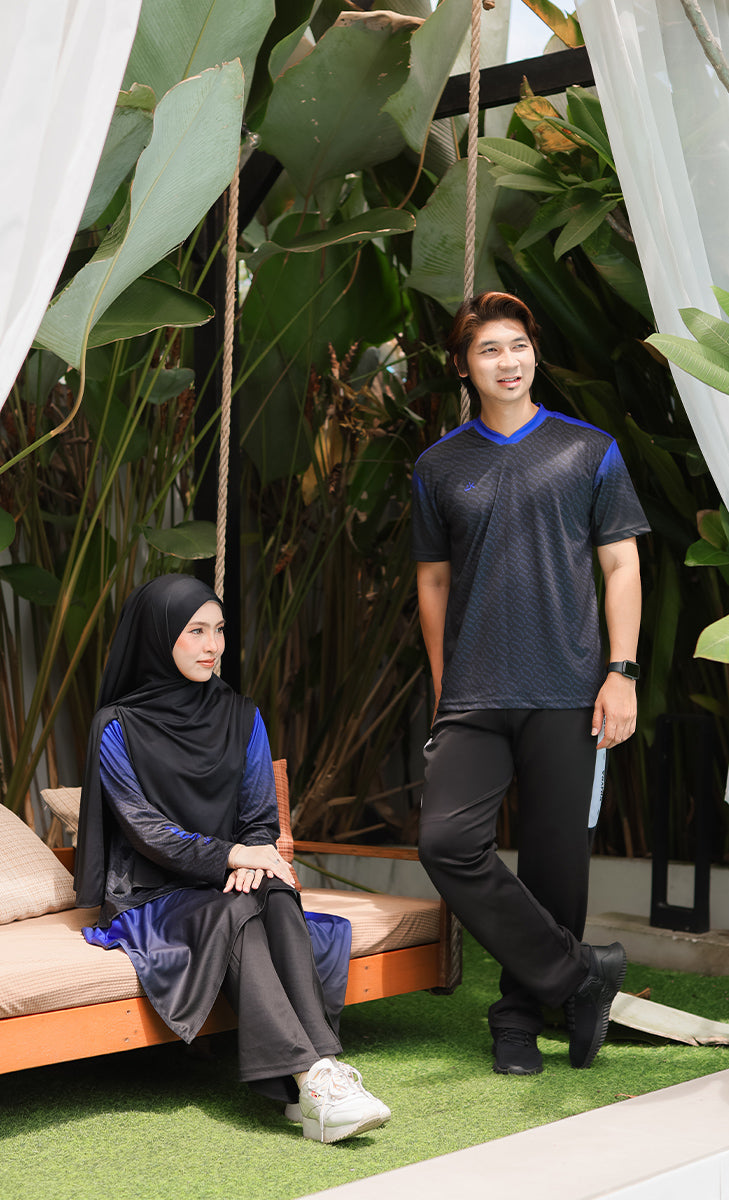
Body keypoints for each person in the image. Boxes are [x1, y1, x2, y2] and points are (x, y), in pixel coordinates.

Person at [411, 291, 650, 1076]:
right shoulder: (438, 465)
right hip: (473, 695)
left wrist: (620, 672)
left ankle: (518, 1019)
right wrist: (443, 690)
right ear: (462, 367)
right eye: (488, 350)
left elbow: (620, 566)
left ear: (533, 353)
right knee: (446, 842)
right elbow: (433, 584)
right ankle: (580, 980)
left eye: (517, 345)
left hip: (568, 689)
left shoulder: (588, 450)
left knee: (555, 867)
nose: (507, 361)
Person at [74, 573, 390, 1143]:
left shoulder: (243, 715)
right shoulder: (116, 727)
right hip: (152, 892)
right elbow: (145, 831)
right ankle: (313, 1078)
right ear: (159, 636)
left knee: (272, 889)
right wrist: (232, 856)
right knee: (237, 909)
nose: (213, 646)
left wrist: (250, 858)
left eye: (219, 630)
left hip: (224, 876)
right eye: (195, 631)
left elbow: (259, 815)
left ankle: (313, 1082)